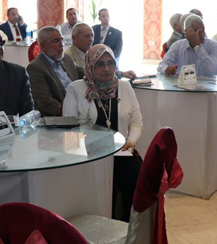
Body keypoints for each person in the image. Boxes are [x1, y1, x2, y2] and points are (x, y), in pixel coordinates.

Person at [63, 44, 142, 222]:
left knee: (137, 175)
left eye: (110, 63)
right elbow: (68, 129)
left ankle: (128, 227)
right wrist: (78, 158)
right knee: (102, 186)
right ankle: (101, 228)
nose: (106, 69)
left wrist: (131, 142)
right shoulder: (76, 89)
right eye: (100, 64)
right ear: (90, 65)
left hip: (121, 152)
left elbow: (137, 123)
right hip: (88, 156)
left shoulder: (125, 87)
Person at [28, 27, 82, 117]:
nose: (62, 44)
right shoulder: (35, 68)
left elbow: (83, 72)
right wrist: (72, 112)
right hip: (60, 118)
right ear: (43, 46)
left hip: (79, 107)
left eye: (62, 40)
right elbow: (46, 103)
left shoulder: (66, 58)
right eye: (56, 41)